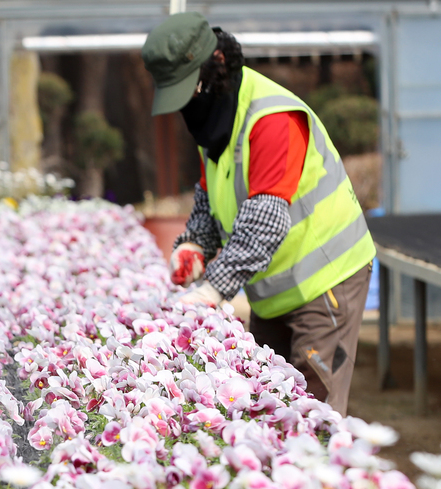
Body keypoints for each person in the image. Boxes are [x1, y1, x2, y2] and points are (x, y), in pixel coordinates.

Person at [143, 13, 375, 415]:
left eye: (188, 90)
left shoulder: (271, 119)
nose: (187, 106)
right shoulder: (215, 121)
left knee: (310, 414)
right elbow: (210, 195)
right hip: (273, 290)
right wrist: (195, 243)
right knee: (267, 402)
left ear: (215, 65)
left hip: (325, 283)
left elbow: (265, 221)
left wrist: (212, 289)